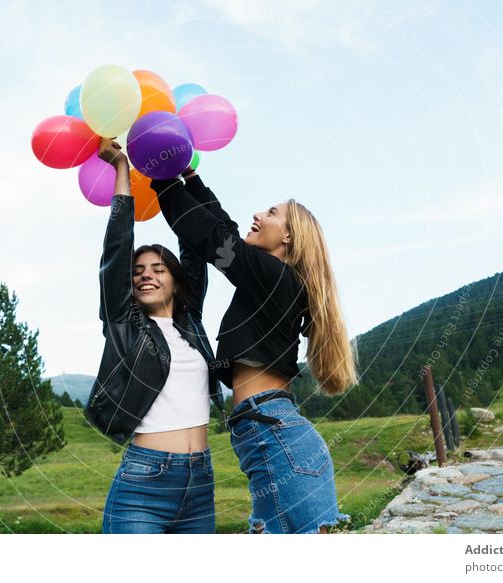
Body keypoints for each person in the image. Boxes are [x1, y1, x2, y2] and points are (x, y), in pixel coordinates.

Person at [150, 166, 357, 534]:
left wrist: (162, 177)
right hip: (276, 432)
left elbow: (213, 238)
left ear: (289, 236)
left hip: (273, 433)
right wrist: (193, 181)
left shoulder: (273, 275)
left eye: (271, 213)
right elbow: (225, 231)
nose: (258, 214)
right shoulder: (273, 279)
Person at [84, 138, 226, 534]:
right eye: (139, 270)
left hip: (201, 481)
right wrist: (122, 173)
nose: (146, 273)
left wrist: (177, 173)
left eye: (159, 268)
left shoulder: (190, 322)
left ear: (178, 284)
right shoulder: (124, 323)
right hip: (144, 482)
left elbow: (195, 250)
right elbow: (116, 250)